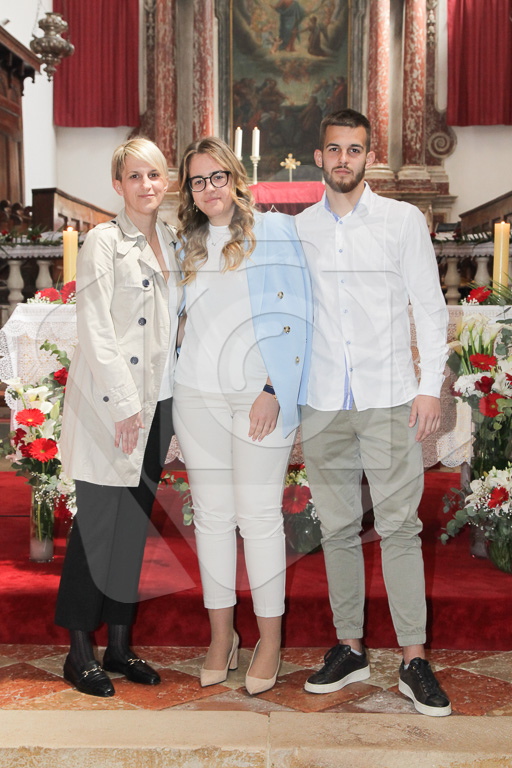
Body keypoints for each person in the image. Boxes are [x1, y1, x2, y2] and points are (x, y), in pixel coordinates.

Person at [295, 109, 452, 717]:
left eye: (354, 149)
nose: (344, 159)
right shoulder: (300, 229)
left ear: (368, 157)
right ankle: (350, 647)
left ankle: (413, 659)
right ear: (320, 156)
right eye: (334, 149)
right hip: (324, 399)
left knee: (399, 527)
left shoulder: (401, 221)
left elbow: (430, 308)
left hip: (389, 395)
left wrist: (429, 389)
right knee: (336, 529)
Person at [173, 136, 311, 695]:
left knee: (257, 516)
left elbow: (299, 310)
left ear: (235, 178)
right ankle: (221, 636)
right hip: (195, 393)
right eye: (198, 181)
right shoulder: (185, 242)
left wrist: (275, 387)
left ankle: (270, 640)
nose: (209, 188)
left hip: (258, 393)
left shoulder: (274, 231)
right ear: (189, 190)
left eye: (218, 176)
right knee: (211, 517)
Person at [55, 138, 182, 698]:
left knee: (133, 528)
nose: (145, 185)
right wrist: (126, 404)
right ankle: (79, 650)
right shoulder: (103, 242)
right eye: (134, 176)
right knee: (98, 529)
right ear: (118, 184)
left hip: (158, 405)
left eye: (153, 175)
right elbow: (95, 329)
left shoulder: (173, 241)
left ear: (166, 180)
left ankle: (120, 645)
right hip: (114, 407)